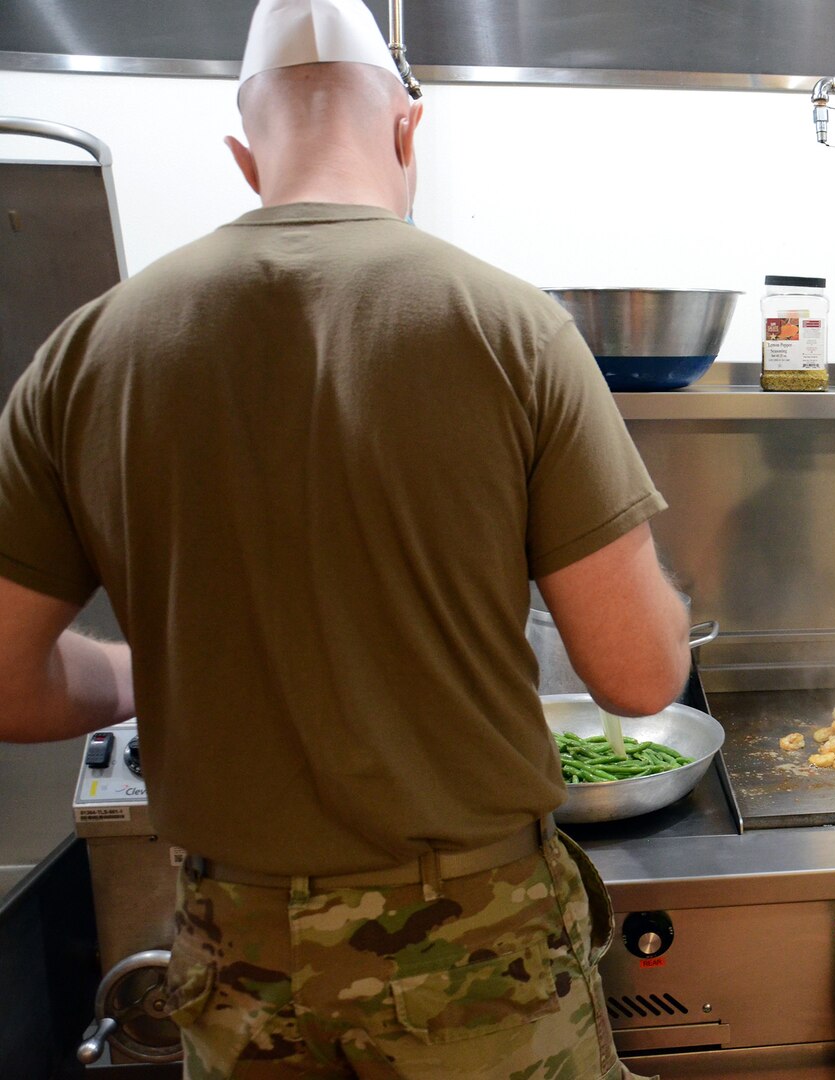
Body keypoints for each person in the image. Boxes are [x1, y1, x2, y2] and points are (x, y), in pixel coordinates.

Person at [0, 0, 690, 1075]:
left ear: (241, 155)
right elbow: (641, 674)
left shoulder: (87, 353)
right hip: (478, 944)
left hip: (237, 954)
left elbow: (8, 683)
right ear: (408, 130)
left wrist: (144, 670)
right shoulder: (514, 329)